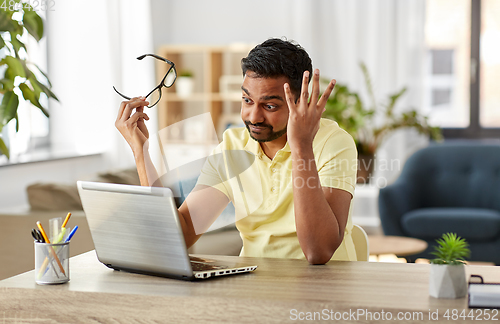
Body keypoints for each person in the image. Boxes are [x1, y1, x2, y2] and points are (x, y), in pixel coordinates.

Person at [115, 38, 357, 265]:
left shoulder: (334, 143)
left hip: (321, 292)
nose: (253, 116)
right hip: (254, 288)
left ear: (300, 102)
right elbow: (180, 233)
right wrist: (141, 152)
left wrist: (302, 147)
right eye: (247, 100)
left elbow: (318, 251)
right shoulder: (233, 146)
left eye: (270, 106)